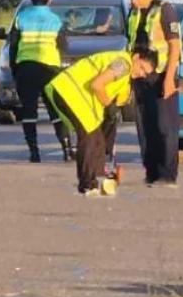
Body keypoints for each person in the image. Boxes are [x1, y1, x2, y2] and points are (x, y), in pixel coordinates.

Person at [44, 50, 157, 196]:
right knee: (90, 138)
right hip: (68, 92)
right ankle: (87, 185)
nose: (142, 74)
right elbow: (97, 85)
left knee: (98, 141)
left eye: (145, 73)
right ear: (136, 57)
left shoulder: (125, 78)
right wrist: (109, 106)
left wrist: (112, 112)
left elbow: (114, 106)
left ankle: (98, 180)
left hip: (74, 97)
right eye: (142, 67)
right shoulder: (124, 64)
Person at [123, 0, 183, 187]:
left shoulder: (165, 11)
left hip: (161, 76)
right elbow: (132, 44)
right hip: (140, 77)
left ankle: (168, 174)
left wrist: (169, 79)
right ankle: (151, 172)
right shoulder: (132, 13)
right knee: (145, 127)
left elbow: (175, 47)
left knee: (165, 127)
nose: (134, 0)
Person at [7, 0, 72, 163]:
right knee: (56, 110)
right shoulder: (55, 20)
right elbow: (64, 47)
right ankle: (67, 149)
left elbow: (13, 46)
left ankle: (34, 153)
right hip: (50, 69)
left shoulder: (21, 18)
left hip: (26, 68)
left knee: (29, 112)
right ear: (49, 0)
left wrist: (15, 69)